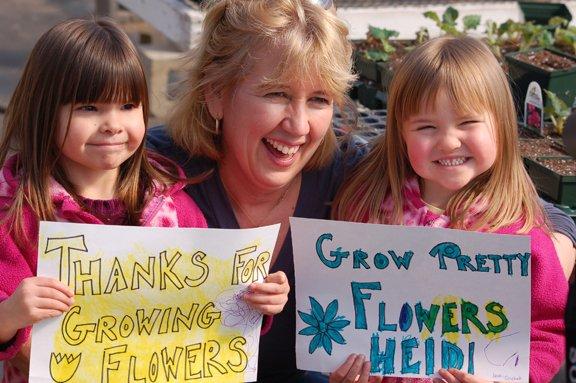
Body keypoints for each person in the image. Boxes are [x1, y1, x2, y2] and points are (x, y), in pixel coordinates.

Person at [0, 18, 289, 383]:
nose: (112, 124)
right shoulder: (15, 214)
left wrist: (256, 300)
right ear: (43, 109)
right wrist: (10, 315)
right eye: (89, 107)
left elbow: (207, 310)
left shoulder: (171, 207)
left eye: (127, 105)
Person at [332, 36, 568, 383]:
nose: (449, 141)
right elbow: (338, 305)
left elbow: (546, 332)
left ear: (501, 125)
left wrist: (508, 380)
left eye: (468, 122)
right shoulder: (367, 206)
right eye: (427, 127)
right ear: (401, 133)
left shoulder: (521, 232)